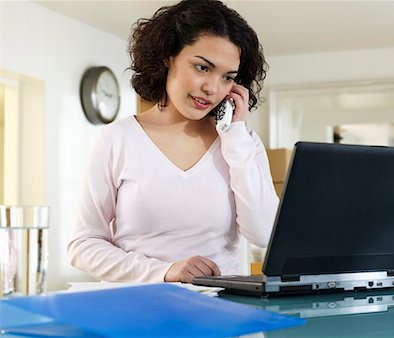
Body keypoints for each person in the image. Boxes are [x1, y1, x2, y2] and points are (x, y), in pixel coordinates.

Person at [68, 0, 279, 284]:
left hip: (222, 314)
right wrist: (165, 272)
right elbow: (83, 245)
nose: (212, 88)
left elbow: (265, 233)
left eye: (227, 77)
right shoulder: (117, 140)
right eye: (203, 68)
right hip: (139, 314)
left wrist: (235, 135)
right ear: (168, 56)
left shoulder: (242, 143)